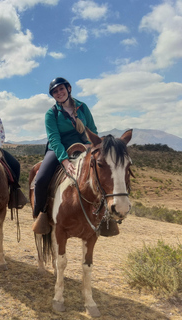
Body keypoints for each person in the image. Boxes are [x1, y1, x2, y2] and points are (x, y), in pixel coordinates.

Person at [32, 77, 118, 236]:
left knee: (103, 172)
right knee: (41, 179)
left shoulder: (83, 107)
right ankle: (41, 214)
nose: (59, 93)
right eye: (55, 92)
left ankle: (107, 215)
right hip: (58, 148)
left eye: (61, 89)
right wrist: (64, 160)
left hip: (83, 146)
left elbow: (92, 130)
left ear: (69, 88)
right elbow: (54, 139)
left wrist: (91, 146)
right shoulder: (51, 113)